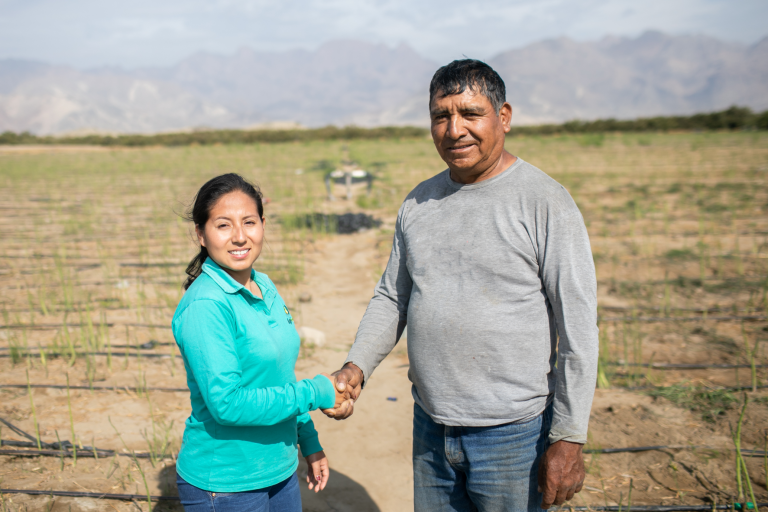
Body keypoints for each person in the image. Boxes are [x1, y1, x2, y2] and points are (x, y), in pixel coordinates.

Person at [322, 60, 599, 511]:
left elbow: (579, 329)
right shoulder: (419, 202)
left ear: (503, 117)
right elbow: (393, 296)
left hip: (514, 438)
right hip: (432, 428)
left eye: (470, 114)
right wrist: (356, 367)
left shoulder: (545, 202)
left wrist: (568, 437)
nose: (455, 130)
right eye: (441, 116)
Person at [172, 173, 348, 512]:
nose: (240, 237)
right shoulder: (206, 305)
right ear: (200, 234)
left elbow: (278, 376)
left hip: (278, 471)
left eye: (249, 222)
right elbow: (228, 404)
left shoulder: (263, 284)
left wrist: (307, 439)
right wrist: (317, 392)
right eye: (223, 225)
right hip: (227, 483)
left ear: (263, 224)